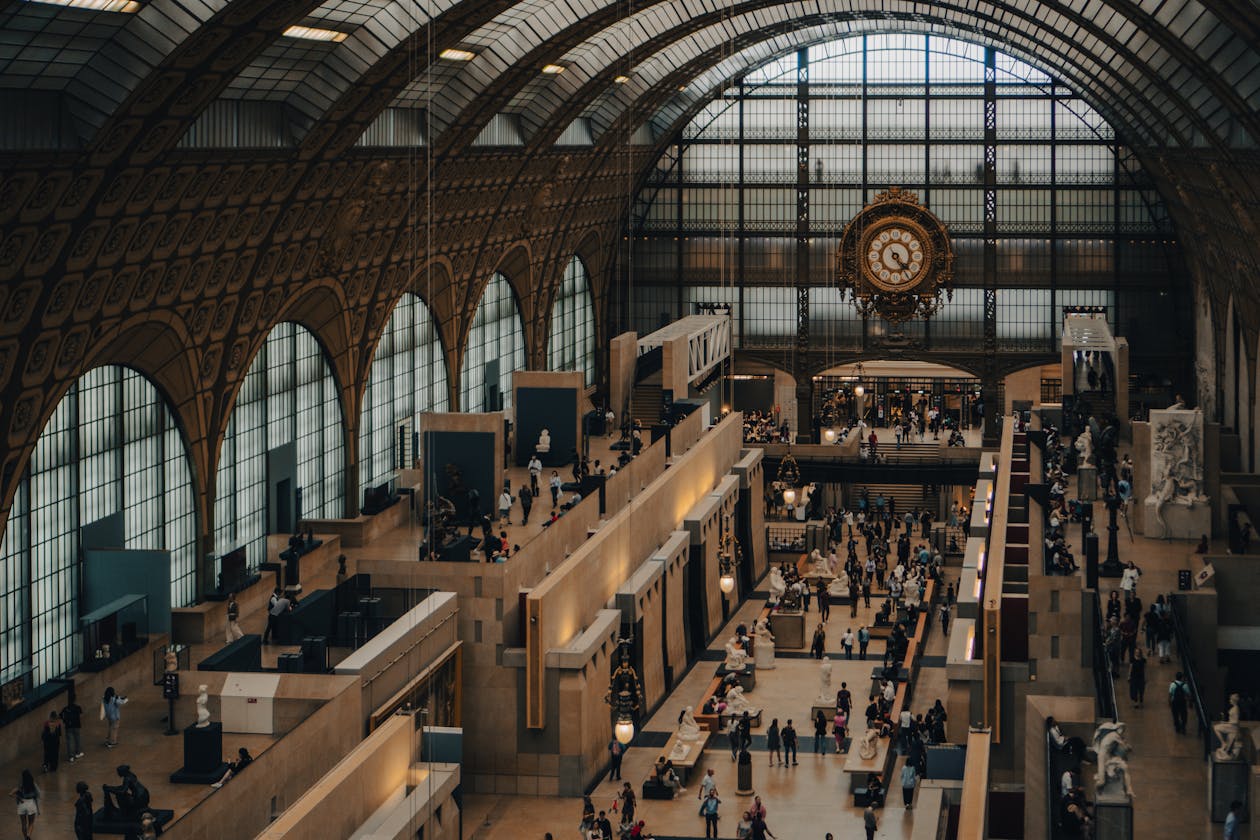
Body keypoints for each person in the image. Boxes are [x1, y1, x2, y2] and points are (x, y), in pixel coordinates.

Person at [11, 769, 39, 839]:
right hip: (31, 804)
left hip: (22, 804)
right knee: (31, 823)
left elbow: (10, 794)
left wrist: (18, 797)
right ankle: (28, 836)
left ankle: (25, 838)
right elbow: (38, 794)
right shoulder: (33, 784)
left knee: (23, 823)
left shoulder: (20, 785)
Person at [61, 691, 84, 764]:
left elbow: (61, 715)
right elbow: (81, 714)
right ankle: (78, 753)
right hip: (76, 725)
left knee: (69, 741)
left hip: (68, 726)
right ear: (75, 699)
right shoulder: (78, 708)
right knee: (77, 739)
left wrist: (65, 720)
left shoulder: (65, 708)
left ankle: (71, 756)